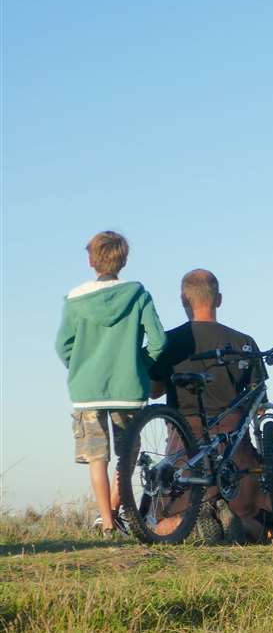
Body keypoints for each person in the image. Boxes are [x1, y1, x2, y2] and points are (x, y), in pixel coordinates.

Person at [54, 230, 168, 537]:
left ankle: (105, 521)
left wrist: (79, 367)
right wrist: (138, 366)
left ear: (91, 260)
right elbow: (158, 341)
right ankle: (116, 509)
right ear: (124, 259)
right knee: (127, 452)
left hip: (86, 390)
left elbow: (62, 345)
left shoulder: (75, 299)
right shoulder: (139, 294)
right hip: (128, 388)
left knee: (96, 457)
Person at [148, 270, 273, 542]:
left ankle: (196, 520)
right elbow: (258, 401)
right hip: (234, 445)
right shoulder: (244, 342)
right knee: (258, 523)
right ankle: (235, 520)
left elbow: (154, 391)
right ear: (218, 299)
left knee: (161, 523)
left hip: (184, 442)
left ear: (184, 299)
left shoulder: (169, 342)